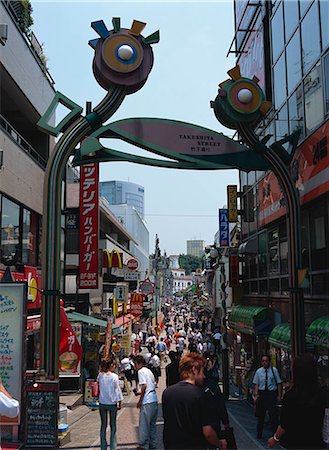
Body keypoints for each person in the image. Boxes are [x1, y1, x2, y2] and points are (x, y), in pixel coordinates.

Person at [162, 352, 227, 450]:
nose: (203, 376)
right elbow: (207, 432)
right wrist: (219, 443)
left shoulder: (167, 393)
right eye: (201, 372)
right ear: (194, 370)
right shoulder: (200, 394)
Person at [268, 354, 327, 449]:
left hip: (293, 443)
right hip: (316, 443)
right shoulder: (322, 394)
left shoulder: (290, 397)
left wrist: (275, 439)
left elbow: (284, 424)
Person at [253, 354, 282, 439]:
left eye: (266, 361)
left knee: (273, 415)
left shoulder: (274, 370)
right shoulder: (259, 372)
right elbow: (256, 384)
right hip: (262, 394)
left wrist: (279, 395)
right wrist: (256, 395)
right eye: (263, 361)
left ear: (269, 362)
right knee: (260, 416)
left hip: (271, 394)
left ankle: (275, 435)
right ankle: (259, 434)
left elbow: (279, 383)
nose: (264, 363)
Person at [97, 358, 123, 450]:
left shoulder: (100, 375)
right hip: (112, 403)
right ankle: (113, 446)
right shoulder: (114, 377)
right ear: (111, 365)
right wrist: (120, 402)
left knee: (103, 425)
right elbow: (117, 390)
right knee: (113, 425)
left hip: (102, 403)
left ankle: (103, 447)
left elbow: (98, 386)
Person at [134, 355, 158, 450]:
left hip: (147, 401)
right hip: (154, 399)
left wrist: (140, 401)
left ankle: (143, 445)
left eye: (135, 364)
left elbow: (144, 386)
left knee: (144, 424)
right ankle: (153, 444)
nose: (135, 367)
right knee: (152, 425)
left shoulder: (141, 371)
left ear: (139, 364)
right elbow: (151, 385)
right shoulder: (149, 371)